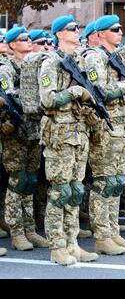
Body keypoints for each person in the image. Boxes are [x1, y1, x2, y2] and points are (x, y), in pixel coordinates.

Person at [39, 15, 98, 265]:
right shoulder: (51, 63)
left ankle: (72, 243)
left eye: (78, 29)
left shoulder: (78, 61)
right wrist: (75, 91)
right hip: (60, 135)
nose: (77, 33)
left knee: (75, 190)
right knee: (60, 192)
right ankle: (57, 246)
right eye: (72, 29)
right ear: (60, 34)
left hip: (79, 132)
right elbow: (48, 99)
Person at [83, 15, 125, 255]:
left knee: (116, 182)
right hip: (107, 128)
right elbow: (98, 91)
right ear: (100, 34)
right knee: (104, 182)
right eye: (115, 29)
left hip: (124, 127)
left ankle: (114, 231)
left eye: (120, 29)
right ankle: (102, 236)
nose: (120, 33)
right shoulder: (94, 58)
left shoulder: (118, 58)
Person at [2, 27, 49, 251]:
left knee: (30, 181)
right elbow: (8, 98)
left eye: (29, 38)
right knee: (17, 181)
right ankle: (17, 232)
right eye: (22, 39)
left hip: (33, 129)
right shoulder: (6, 68)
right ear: (11, 45)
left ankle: (30, 229)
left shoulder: (31, 67)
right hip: (16, 132)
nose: (28, 41)